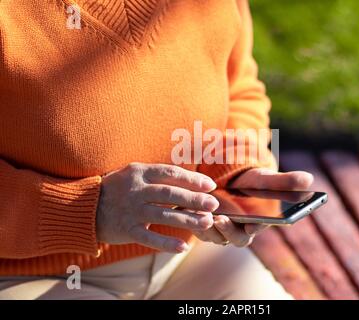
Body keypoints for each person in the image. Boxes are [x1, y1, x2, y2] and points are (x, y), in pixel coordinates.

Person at [0, 0, 313, 299]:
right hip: (30, 276)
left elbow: (237, 82)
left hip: (189, 255)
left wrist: (234, 166)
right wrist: (86, 211)